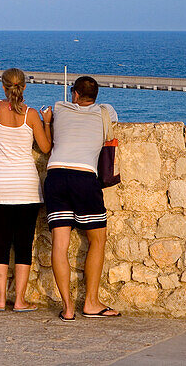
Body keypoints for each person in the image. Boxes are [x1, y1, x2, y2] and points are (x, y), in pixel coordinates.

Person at [43, 75, 122, 320]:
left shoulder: (59, 108)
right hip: (84, 177)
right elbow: (112, 122)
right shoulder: (105, 111)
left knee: (60, 244)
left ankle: (67, 308)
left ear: (74, 94)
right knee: (97, 241)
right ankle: (91, 302)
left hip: (55, 176)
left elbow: (50, 117)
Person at [0, 68, 52, 312]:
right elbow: (45, 148)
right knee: (24, 244)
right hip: (26, 188)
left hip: (0, 186)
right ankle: (20, 300)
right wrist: (47, 122)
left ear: (3, 87)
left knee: (1, 243)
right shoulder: (31, 115)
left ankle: (1, 299)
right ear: (24, 87)